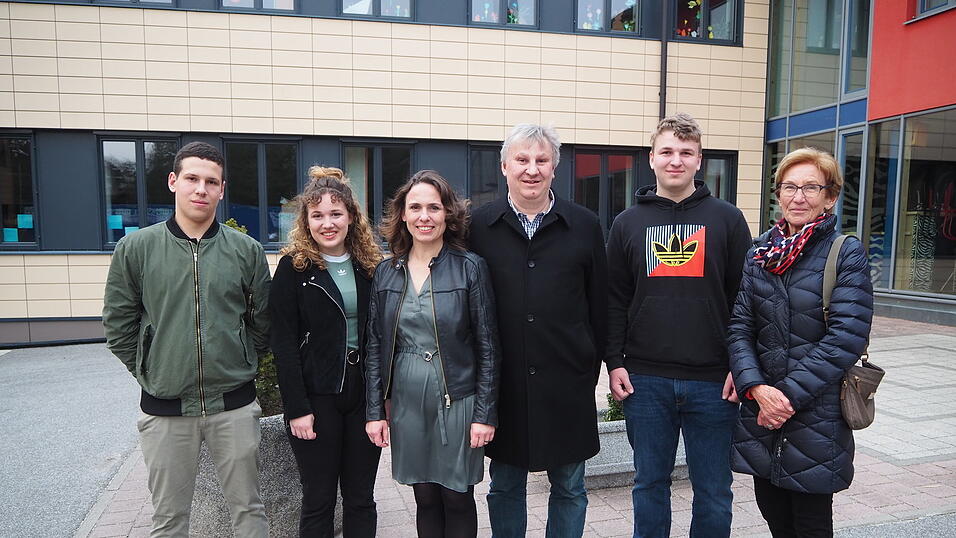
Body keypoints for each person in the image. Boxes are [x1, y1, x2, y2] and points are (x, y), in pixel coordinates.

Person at [102, 141, 270, 537]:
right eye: (192, 179)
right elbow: (118, 322)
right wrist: (149, 368)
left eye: (211, 182)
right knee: (169, 519)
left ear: (222, 190)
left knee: (249, 511)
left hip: (233, 406)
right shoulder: (136, 248)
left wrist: (243, 360)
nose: (201, 189)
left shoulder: (246, 251)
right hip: (165, 409)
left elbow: (262, 320)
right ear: (173, 181)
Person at [605, 113, 752, 538]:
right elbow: (614, 300)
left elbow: (746, 301)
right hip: (645, 381)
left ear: (699, 160)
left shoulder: (727, 219)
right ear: (651, 159)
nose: (676, 160)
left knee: (714, 490)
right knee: (649, 484)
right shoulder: (627, 223)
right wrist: (614, 362)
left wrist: (738, 367)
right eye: (667, 151)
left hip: (714, 382)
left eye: (685, 153)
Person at [469, 124, 608, 537]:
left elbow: (599, 304)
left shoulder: (584, 225)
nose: (532, 169)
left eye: (541, 160)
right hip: (504, 383)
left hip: (568, 380)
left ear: (555, 168)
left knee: (569, 485)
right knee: (505, 484)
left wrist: (594, 362)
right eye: (522, 160)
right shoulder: (477, 226)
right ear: (504, 166)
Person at [728, 147, 873, 537]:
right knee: (773, 511)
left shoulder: (846, 253)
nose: (798, 196)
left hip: (815, 412)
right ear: (778, 194)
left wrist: (784, 397)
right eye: (789, 186)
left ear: (830, 197)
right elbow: (740, 326)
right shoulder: (760, 252)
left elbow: (845, 338)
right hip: (762, 410)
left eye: (811, 187)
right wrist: (755, 387)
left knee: (809, 522)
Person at [365, 170, 501, 537]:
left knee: (457, 495)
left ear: (447, 215)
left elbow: (488, 346)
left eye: (433, 207)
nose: (425, 216)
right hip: (408, 399)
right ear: (403, 215)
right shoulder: (386, 273)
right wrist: (375, 411)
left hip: (457, 397)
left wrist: (485, 414)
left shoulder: (470, 268)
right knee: (424, 496)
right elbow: (375, 346)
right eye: (416, 207)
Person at [269, 167, 384, 537]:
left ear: (351, 217)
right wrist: (297, 408)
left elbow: (383, 337)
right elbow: (283, 344)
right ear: (306, 221)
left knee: (361, 497)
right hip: (317, 397)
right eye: (317, 215)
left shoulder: (371, 267)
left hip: (362, 395)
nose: (327, 223)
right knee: (319, 499)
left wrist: (382, 402)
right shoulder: (293, 268)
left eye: (336, 214)